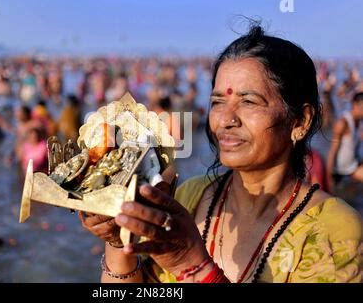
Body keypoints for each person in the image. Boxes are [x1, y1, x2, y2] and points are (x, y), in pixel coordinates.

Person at [79, 25, 361, 283]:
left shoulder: (335, 232)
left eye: (248, 101)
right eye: (217, 102)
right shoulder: (190, 198)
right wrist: (120, 243)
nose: (225, 119)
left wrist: (192, 264)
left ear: (300, 121)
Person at [327, 92, 363, 186]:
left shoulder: (360, 122)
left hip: (353, 164)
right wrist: (328, 177)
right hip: (341, 170)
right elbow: (332, 151)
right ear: (355, 105)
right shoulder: (343, 123)